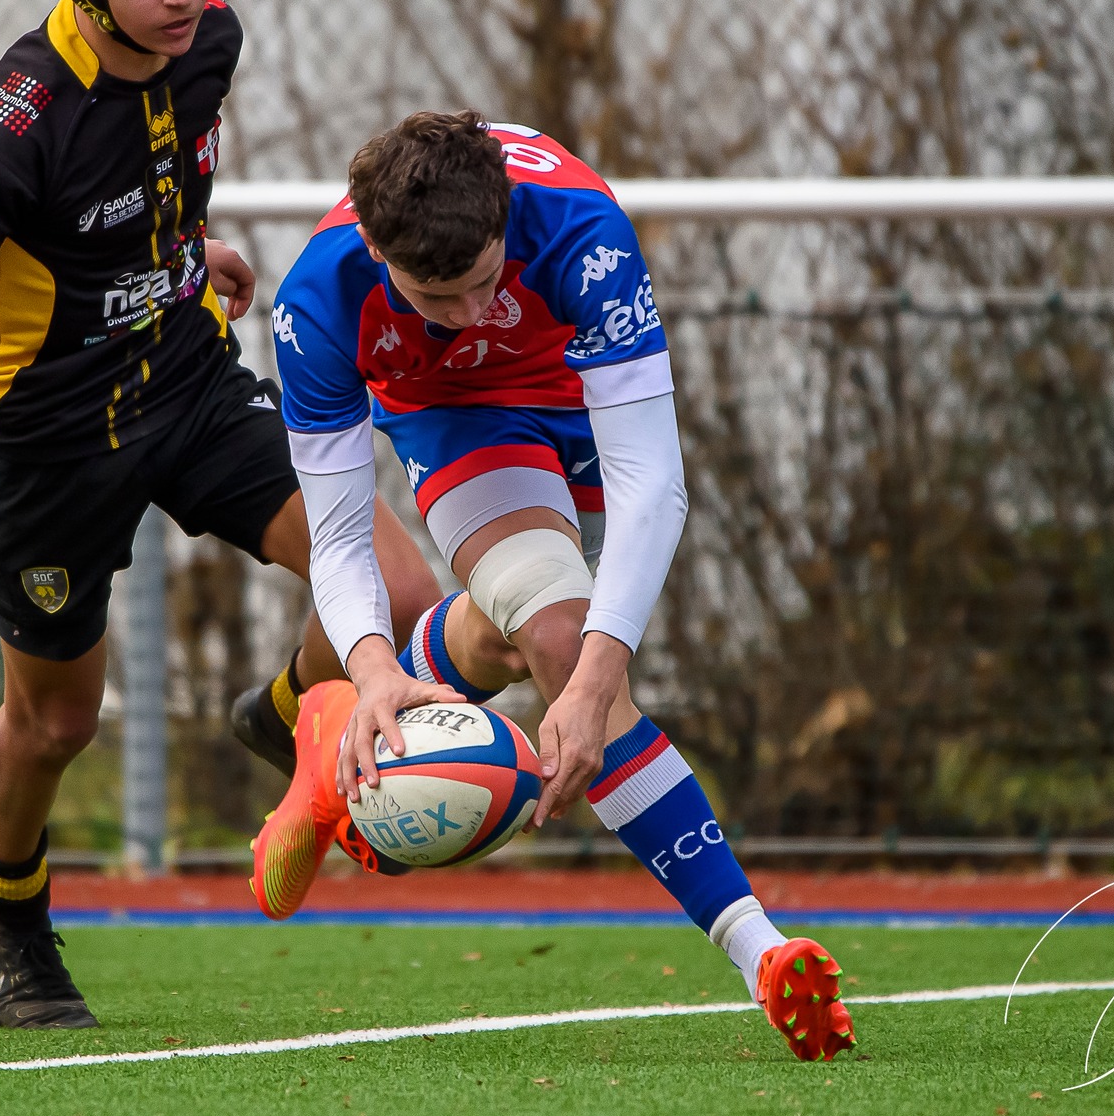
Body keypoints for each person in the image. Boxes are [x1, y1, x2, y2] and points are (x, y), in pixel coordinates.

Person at [0, 0, 439, 1030]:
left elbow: (149, 180)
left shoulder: (208, 43)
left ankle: (287, 713)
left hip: (182, 378)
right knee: (55, 722)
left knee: (391, 582)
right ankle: (1, 903)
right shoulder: (6, 135)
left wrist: (186, 249)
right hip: (46, 442)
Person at [248, 110, 855, 1061]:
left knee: (531, 645)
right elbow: (337, 530)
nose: (467, 313)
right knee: (559, 631)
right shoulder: (317, 300)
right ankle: (761, 949)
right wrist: (371, 669)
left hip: (581, 381)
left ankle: (328, 744)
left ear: (507, 220)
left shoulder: (580, 226)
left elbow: (656, 486)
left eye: (485, 282)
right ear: (374, 247)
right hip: (458, 415)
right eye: (433, 297)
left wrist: (590, 692)